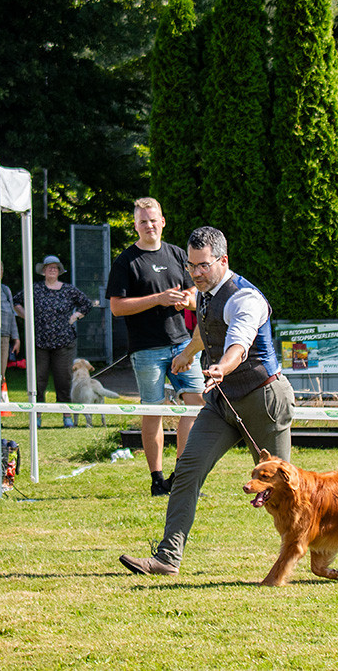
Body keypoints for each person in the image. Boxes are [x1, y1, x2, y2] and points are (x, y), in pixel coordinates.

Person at [119, 226, 295, 575]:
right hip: (221, 403)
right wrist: (188, 353)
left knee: (285, 491)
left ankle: (322, 547)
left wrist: (222, 367)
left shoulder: (246, 299)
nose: (196, 272)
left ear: (222, 260)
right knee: (187, 469)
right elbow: (207, 328)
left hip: (263, 399)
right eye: (191, 265)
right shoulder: (204, 292)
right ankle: (167, 558)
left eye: (203, 265)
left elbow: (239, 342)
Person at [106, 197, 205, 496]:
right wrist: (158, 299)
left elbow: (198, 289)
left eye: (153, 219)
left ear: (163, 221)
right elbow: (117, 307)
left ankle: (181, 474)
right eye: (143, 221)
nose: (149, 225)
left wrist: (187, 299)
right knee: (153, 411)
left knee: (196, 405)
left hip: (183, 344)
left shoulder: (177, 254)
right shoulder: (126, 261)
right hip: (146, 349)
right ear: (135, 226)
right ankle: (157, 479)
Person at [13, 255, 91, 428]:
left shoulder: (69, 289)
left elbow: (86, 303)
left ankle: (66, 416)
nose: (52, 270)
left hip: (64, 342)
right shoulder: (35, 289)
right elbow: (16, 301)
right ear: (43, 271)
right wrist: (27, 317)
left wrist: (76, 315)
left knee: (63, 379)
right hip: (39, 341)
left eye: (55, 267)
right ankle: (37, 417)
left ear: (59, 271)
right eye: (49, 267)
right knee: (38, 380)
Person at [0, 264, 21, 378]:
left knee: (1, 373)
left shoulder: (5, 290)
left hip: (4, 336)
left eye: (1, 269)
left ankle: (0, 394)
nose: (0, 272)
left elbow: (12, 314)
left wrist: (16, 338)